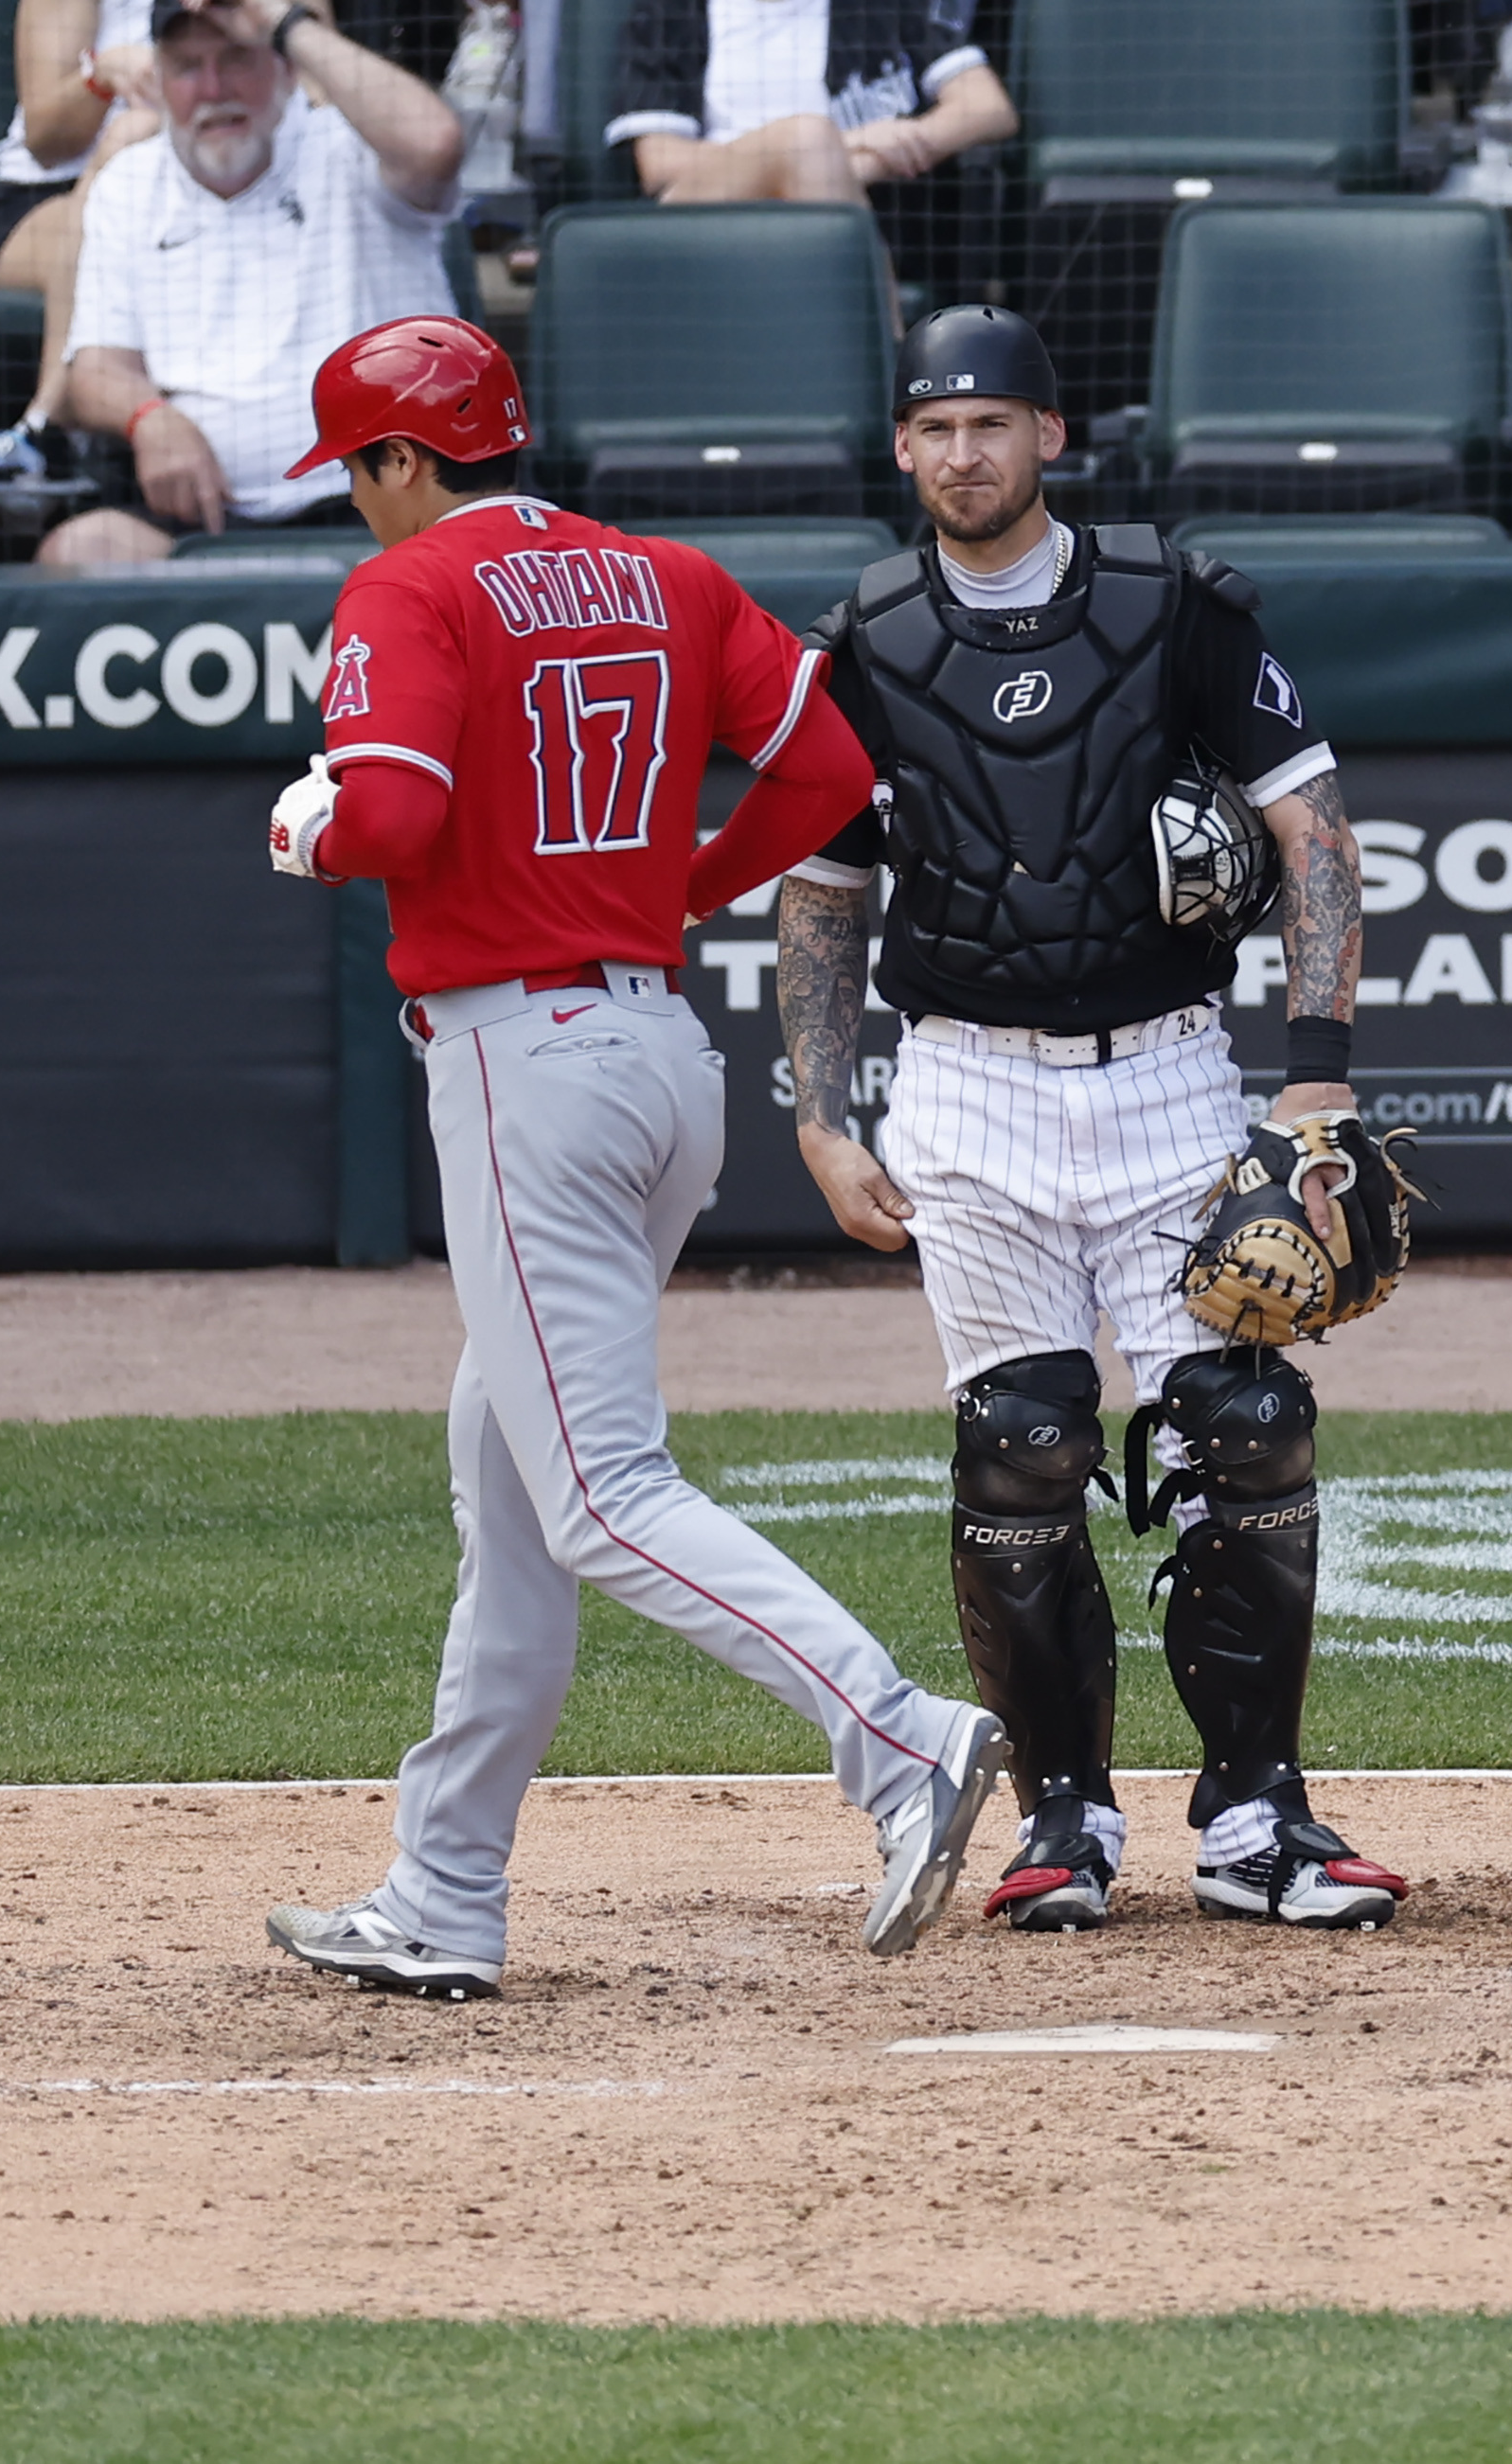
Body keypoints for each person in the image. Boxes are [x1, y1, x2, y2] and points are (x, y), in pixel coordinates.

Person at [258, 316, 1010, 1997]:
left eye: (360, 474)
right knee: (516, 1488)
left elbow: (379, 818)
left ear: (402, 460)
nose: (356, 507)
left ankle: (900, 1737)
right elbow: (826, 777)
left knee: (597, 1494)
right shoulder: (664, 571)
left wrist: (308, 826)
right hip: (664, 1062)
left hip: (531, 1066)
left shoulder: (410, 587)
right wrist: (688, 883)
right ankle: (445, 1891)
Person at [773, 305, 1409, 1934]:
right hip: (967, 1088)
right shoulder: (858, 642)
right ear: (900, 449)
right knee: (1023, 1443)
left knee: (1246, 1426)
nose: (962, 453)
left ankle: (1261, 1818)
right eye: (933, 428)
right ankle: (1066, 1819)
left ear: (1053, 437)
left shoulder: (1177, 610)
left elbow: (1313, 832)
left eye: (993, 423)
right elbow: (826, 890)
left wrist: (1319, 1075)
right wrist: (821, 1116)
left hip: (1171, 1070)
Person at [41, 0, 466, 565]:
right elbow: (96, 366)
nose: (214, 89)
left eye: (238, 57)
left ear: (288, 69)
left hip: (393, 514)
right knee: (77, 551)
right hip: (207, 519)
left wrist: (281, 19)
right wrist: (148, 417)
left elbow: (437, 144)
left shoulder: (351, 146)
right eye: (188, 67)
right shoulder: (128, 183)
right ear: (159, 84)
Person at [0, 0, 326, 480]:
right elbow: (43, 137)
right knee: (135, 134)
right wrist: (101, 77)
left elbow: (322, 86)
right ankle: (47, 427)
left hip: (237, 186)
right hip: (55, 195)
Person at [610, 0, 1013, 206]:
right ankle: (887, 337)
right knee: (808, 137)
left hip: (856, 217)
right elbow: (662, 164)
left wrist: (867, 162)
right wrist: (843, 146)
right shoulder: (669, 4)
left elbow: (987, 108)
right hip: (715, 216)